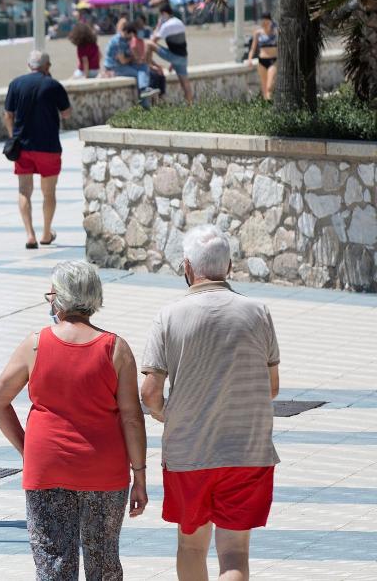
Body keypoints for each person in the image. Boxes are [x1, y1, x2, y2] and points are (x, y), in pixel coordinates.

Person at [0, 261, 148, 581]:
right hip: (104, 471)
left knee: (53, 561)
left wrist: (26, 448)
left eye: (51, 294)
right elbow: (132, 418)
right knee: (103, 561)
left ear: (59, 298)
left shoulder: (34, 344)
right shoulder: (115, 348)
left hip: (47, 468)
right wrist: (140, 475)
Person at [140, 225, 281, 581]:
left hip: (189, 454)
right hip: (247, 453)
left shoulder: (168, 316)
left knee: (191, 547)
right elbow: (272, 387)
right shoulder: (258, 312)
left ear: (187, 267)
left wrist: (162, 414)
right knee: (234, 553)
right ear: (229, 266)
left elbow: (149, 393)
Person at [4, 51, 72, 250]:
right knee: (48, 192)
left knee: (24, 190)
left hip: (22, 147)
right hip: (49, 147)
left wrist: (12, 136)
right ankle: (46, 233)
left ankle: (30, 235)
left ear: (28, 65)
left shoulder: (16, 84)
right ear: (47, 66)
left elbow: (8, 115)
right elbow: (66, 113)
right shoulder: (53, 85)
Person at [103, 21, 158, 108]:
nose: (132, 38)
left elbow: (130, 57)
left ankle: (144, 91)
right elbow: (123, 61)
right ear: (126, 32)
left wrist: (137, 59)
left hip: (124, 64)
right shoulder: (118, 41)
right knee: (139, 74)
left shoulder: (126, 39)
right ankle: (144, 96)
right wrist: (133, 58)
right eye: (131, 35)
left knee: (144, 67)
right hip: (114, 68)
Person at [152, 5, 193, 103]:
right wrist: (173, 63)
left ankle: (148, 64)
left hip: (175, 56)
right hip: (183, 57)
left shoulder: (166, 25)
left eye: (161, 15)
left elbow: (153, 40)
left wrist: (158, 25)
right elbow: (178, 45)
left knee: (149, 44)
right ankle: (190, 105)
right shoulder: (179, 22)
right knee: (185, 83)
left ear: (164, 14)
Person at [247, 13, 278, 101]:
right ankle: (267, 105)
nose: (264, 23)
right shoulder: (258, 33)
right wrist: (250, 59)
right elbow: (253, 48)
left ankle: (269, 100)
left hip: (273, 60)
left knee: (270, 85)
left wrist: (271, 27)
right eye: (263, 21)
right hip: (261, 61)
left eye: (266, 21)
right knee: (264, 87)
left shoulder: (275, 31)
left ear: (270, 21)